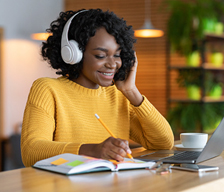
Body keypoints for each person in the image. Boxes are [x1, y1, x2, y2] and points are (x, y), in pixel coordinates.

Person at [21, 9, 174, 167]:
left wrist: (132, 92)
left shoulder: (118, 95)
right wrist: (93, 150)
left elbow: (163, 143)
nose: (112, 64)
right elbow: (31, 151)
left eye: (117, 55)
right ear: (74, 54)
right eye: (101, 56)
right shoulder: (48, 89)